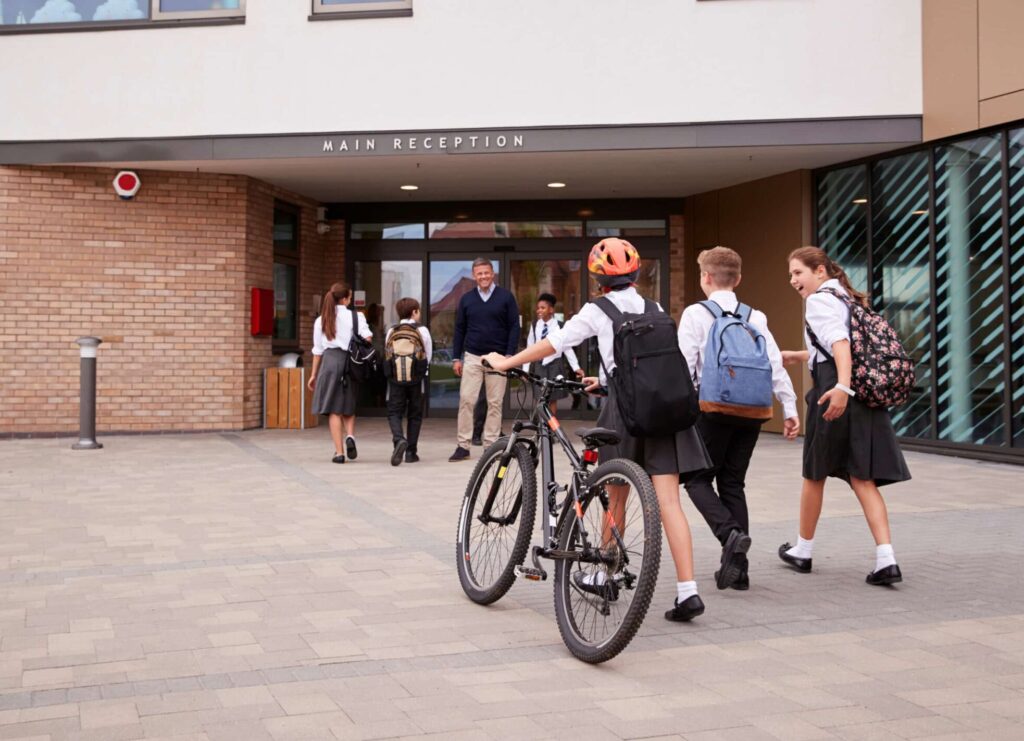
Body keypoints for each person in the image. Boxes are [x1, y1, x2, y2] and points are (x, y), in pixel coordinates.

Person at [484, 238, 713, 623]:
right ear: (637, 275)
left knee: (616, 496)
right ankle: (688, 592)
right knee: (670, 502)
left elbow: (554, 343)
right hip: (665, 412)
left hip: (625, 413)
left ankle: (605, 574)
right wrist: (606, 379)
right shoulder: (654, 307)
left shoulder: (598, 309)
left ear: (597, 280)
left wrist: (508, 363)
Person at [778, 246, 911, 585]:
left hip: (837, 391)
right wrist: (800, 354)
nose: (792, 280)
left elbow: (840, 346)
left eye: (798, 272)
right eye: (791, 274)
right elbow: (843, 346)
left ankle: (803, 550)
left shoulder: (820, 300)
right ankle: (886, 559)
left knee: (814, 472)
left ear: (820, 271)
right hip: (863, 396)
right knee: (862, 478)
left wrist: (842, 387)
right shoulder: (848, 299)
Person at [677, 247, 800, 591]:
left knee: (696, 479)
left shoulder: (696, 314)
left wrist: (681, 413)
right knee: (732, 482)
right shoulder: (754, 316)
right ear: (738, 279)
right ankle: (739, 571)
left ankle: (729, 534)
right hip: (753, 412)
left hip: (713, 409)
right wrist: (789, 408)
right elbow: (774, 363)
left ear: (705, 277)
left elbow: (685, 367)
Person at [449, 258, 519, 462]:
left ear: (493, 273)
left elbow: (514, 326)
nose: (483, 277)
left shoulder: (506, 297)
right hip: (472, 356)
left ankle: (490, 446)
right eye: (479, 274)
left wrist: (509, 355)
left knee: (495, 403)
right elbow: (459, 328)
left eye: (486, 273)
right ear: (474, 276)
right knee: (466, 400)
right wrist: (456, 358)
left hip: (498, 357)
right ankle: (463, 446)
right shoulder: (466, 299)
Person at [307, 282, 373, 464]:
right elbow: (368, 338)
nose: (350, 300)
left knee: (333, 409)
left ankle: (339, 453)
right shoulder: (356, 316)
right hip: (350, 362)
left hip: (329, 362)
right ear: (344, 299)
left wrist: (313, 374)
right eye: (350, 297)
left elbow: (317, 350)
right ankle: (350, 436)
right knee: (348, 403)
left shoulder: (321, 320)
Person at [384, 297, 432, 466]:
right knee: (415, 414)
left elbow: (388, 354)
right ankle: (411, 452)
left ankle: (398, 440)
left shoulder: (391, 331)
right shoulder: (422, 331)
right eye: (418, 311)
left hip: (396, 379)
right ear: (414, 312)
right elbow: (428, 355)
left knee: (394, 412)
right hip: (416, 379)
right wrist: (421, 374)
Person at [523, 292, 584, 417]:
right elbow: (530, 348)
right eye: (538, 308)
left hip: (554, 365)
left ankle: (551, 429)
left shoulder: (560, 326)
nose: (539, 310)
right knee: (539, 397)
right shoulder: (535, 326)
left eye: (543, 308)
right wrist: (525, 369)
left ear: (551, 310)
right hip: (539, 365)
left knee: (552, 398)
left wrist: (576, 367)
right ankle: (540, 428)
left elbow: (567, 348)